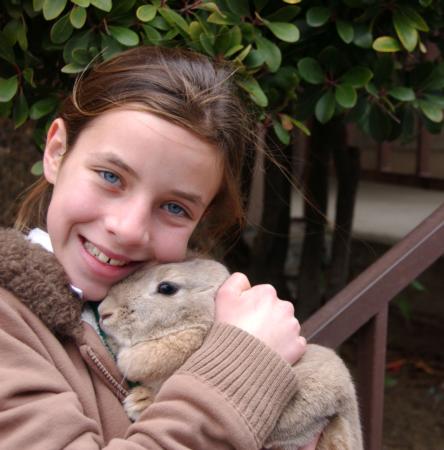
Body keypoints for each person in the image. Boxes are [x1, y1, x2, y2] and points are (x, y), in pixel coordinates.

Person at [0, 46, 319, 449]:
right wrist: (241, 369)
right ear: (57, 152)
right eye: (110, 177)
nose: (130, 229)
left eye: (174, 208)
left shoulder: (193, 316)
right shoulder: (9, 325)